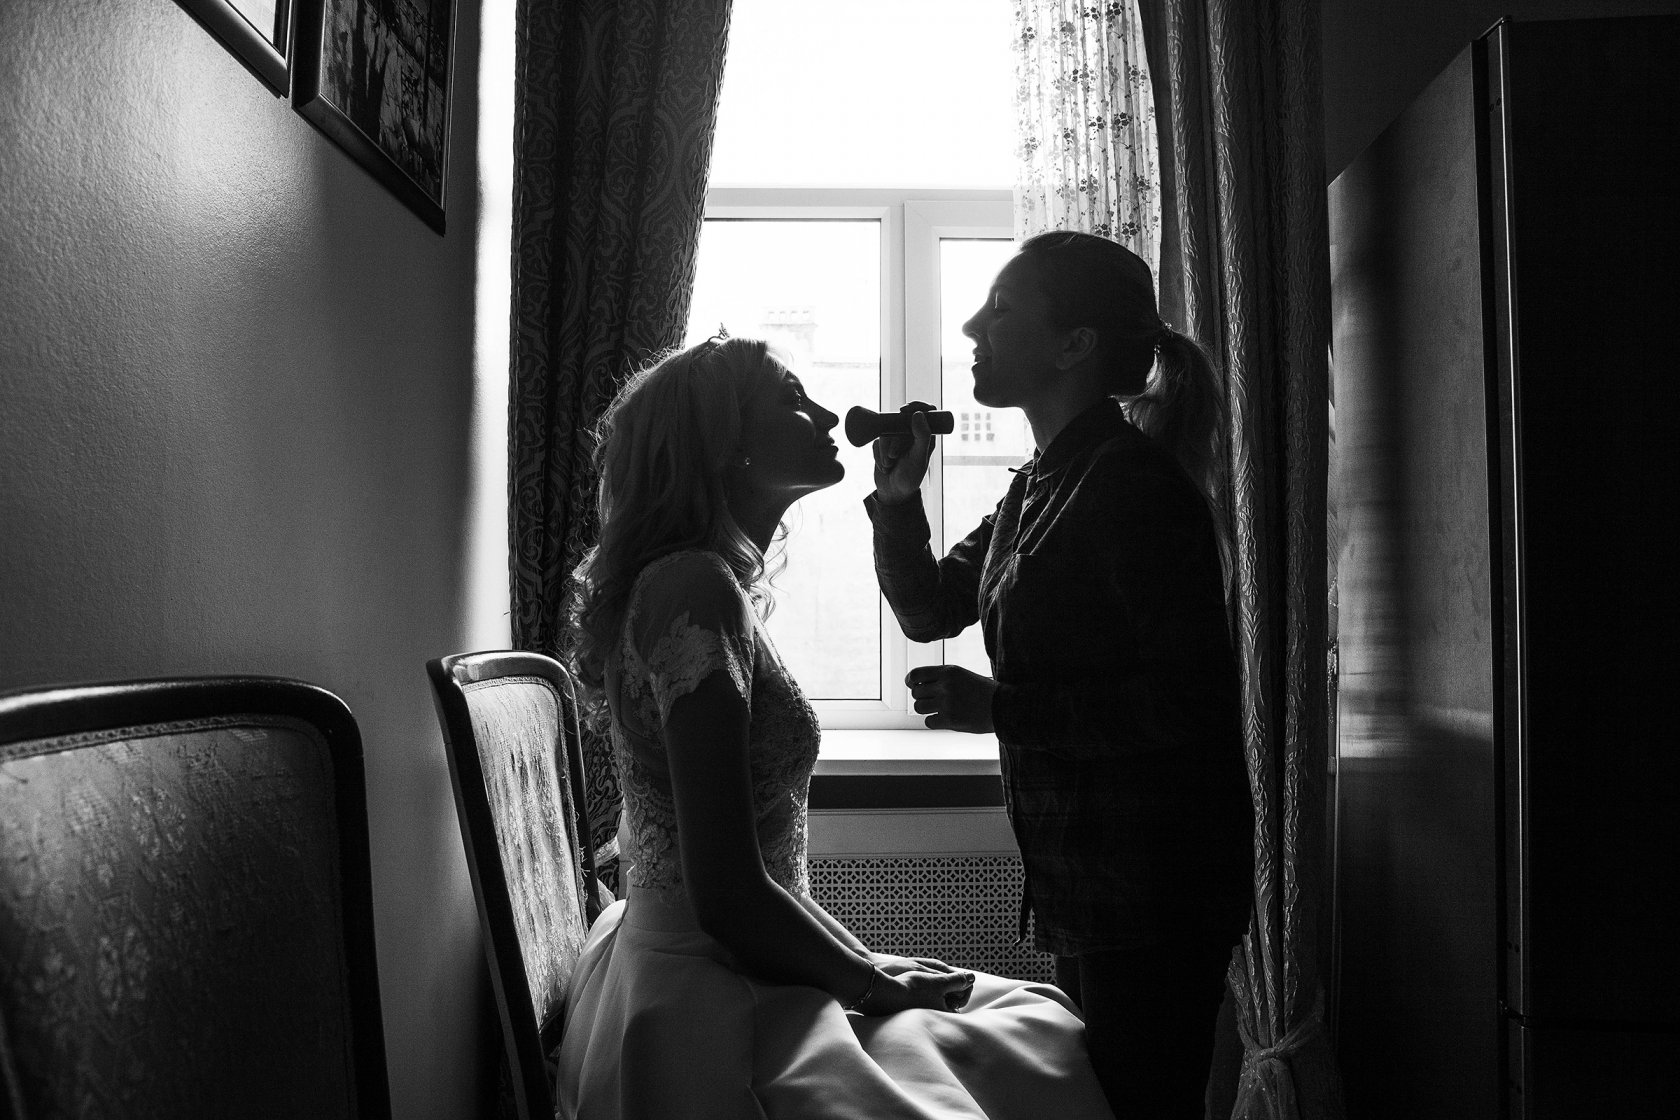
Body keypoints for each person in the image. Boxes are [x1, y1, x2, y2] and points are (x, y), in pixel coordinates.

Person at [557, 335, 1115, 1120]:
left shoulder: (698, 582)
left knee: (1031, 1022)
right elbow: (726, 894)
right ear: (726, 445)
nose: (828, 416)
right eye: (794, 400)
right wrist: (870, 981)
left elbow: (746, 876)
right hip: (713, 997)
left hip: (725, 959)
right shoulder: (694, 589)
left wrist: (862, 963)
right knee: (1040, 1048)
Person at [866, 230, 1255, 1119]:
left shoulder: (1135, 488)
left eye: (1001, 310)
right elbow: (931, 610)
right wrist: (896, 499)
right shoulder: (1038, 484)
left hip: (1156, 887)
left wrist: (1002, 709)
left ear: (1075, 344)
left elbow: (1188, 703)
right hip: (1086, 877)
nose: (972, 327)